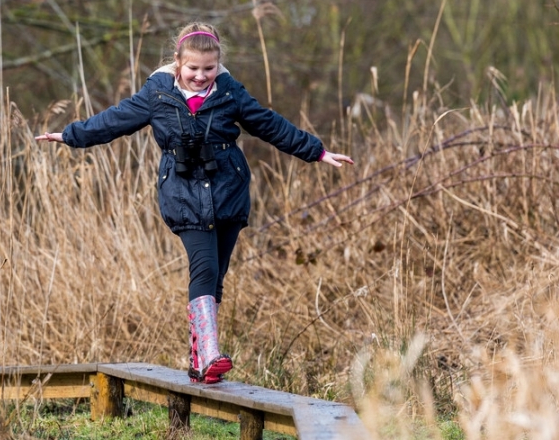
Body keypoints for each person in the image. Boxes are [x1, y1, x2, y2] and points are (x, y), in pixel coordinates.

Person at [36, 22, 354, 384]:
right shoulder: (157, 95)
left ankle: (199, 361)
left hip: (228, 192)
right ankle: (212, 354)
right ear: (177, 63)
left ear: (219, 64)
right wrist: (70, 135)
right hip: (184, 195)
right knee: (202, 269)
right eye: (193, 68)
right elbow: (114, 121)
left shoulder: (231, 94)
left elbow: (270, 125)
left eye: (209, 68)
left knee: (215, 278)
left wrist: (318, 151)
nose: (201, 76)